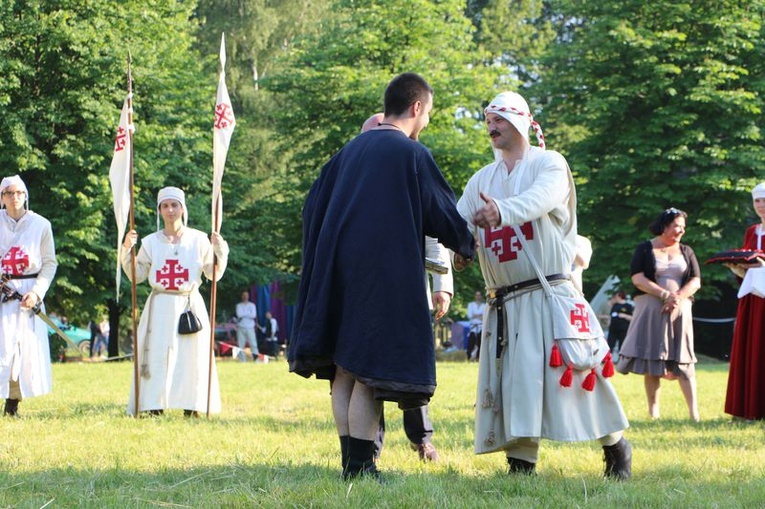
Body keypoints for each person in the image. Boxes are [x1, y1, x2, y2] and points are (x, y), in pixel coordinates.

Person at [289, 72, 475, 480]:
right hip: (381, 275)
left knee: (343, 370)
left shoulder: (345, 154)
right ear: (417, 107)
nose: (425, 123)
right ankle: (360, 468)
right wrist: (466, 246)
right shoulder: (411, 153)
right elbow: (443, 211)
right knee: (368, 370)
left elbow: (310, 212)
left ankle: (350, 464)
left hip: (334, 272)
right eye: (428, 114)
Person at [456, 91, 631, 479]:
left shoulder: (549, 164)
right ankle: (522, 463)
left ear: (519, 121)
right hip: (504, 302)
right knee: (516, 382)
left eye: (499, 119)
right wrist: (459, 249)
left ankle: (616, 447)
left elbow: (539, 199)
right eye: (488, 121)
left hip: (550, 294)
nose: (492, 127)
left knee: (578, 375)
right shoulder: (481, 180)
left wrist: (500, 211)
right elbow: (458, 223)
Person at [363, 112, 447, 463]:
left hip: (409, 291)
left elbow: (435, 230)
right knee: (364, 371)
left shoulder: (411, 170)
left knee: (411, 365)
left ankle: (422, 438)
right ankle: (369, 446)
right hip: (365, 294)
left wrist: (442, 284)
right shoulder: (356, 179)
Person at [121, 186, 228, 417]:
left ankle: (193, 406)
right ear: (159, 210)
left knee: (191, 356)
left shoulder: (199, 239)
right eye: (165, 206)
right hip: (159, 305)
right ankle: (152, 405)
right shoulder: (150, 242)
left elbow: (212, 274)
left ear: (182, 208)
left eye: (174, 205)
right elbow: (137, 275)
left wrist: (221, 252)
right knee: (156, 354)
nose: (170, 210)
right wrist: (126, 251)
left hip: (189, 304)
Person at [616, 208, 701, 422]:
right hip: (651, 311)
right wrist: (663, 294)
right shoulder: (644, 249)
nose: (681, 230)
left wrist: (678, 297)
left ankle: (694, 414)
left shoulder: (686, 250)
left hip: (680, 311)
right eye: (676, 226)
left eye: (683, 226)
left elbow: (695, 280)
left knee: (684, 359)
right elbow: (637, 278)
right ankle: (653, 412)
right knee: (653, 359)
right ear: (664, 226)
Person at [0, 175, 57, 417]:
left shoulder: (41, 225)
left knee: (23, 354)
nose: (14, 197)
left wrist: (36, 293)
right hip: (3, 295)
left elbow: (49, 263)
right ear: (2, 198)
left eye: (19, 193)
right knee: (2, 349)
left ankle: (13, 403)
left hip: (28, 296)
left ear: (25, 196)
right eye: (9, 193)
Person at [723, 182, 765, 421]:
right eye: (757, 201)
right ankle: (749, 408)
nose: (761, 206)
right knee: (751, 349)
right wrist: (736, 268)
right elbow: (748, 272)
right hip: (752, 299)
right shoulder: (752, 232)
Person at [606, 291, 633, 356]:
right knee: (609, 345)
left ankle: (621, 361)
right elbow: (611, 315)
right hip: (613, 329)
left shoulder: (628, 306)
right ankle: (607, 360)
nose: (615, 298)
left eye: (616, 297)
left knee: (622, 346)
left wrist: (624, 315)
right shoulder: (615, 305)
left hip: (623, 330)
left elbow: (632, 318)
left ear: (620, 296)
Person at [235, 291, 258, 361]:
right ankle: (242, 360)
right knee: (240, 344)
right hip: (241, 327)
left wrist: (244, 314)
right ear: (242, 296)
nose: (245, 297)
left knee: (253, 344)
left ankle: (256, 359)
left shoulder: (252, 305)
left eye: (246, 295)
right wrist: (248, 314)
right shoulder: (239, 305)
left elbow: (253, 315)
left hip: (250, 327)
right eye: (243, 295)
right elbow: (239, 314)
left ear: (248, 296)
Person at [466, 291, 486, 361]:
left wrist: (475, 315)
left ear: (481, 296)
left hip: (481, 326)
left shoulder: (484, 305)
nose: (478, 297)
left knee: (480, 343)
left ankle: (478, 358)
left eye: (479, 295)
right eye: (477, 295)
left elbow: (485, 316)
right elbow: (469, 315)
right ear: (475, 296)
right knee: (471, 342)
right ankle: (469, 357)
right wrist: (480, 315)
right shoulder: (471, 305)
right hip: (473, 326)